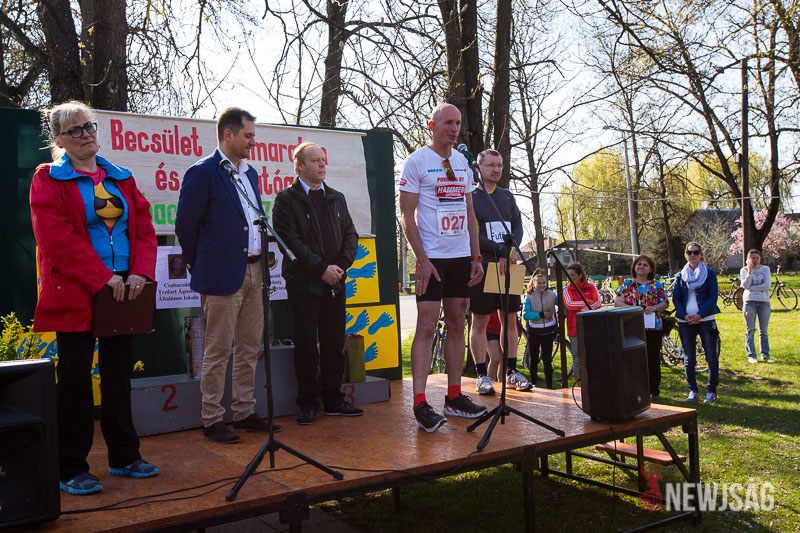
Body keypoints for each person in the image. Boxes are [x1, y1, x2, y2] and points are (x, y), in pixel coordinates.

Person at [30, 101, 158, 495]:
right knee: (74, 381)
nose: (86, 134)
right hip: (78, 291)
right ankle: (71, 466)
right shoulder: (48, 179)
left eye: (89, 127)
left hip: (124, 291)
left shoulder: (121, 177)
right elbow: (57, 241)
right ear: (58, 140)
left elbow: (144, 228)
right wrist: (102, 278)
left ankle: (124, 456)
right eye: (75, 130)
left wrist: (140, 272)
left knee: (119, 376)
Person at [175, 107, 275, 444]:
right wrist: (198, 263)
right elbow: (185, 226)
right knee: (218, 349)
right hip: (220, 274)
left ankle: (244, 412)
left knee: (249, 347)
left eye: (254, 135)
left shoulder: (251, 174)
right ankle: (212, 419)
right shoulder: (202, 172)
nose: (253, 142)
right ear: (228, 134)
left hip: (256, 271)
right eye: (248, 135)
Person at [399, 102, 486, 432]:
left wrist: (476, 257)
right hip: (432, 258)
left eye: (458, 122)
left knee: (457, 322)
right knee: (426, 325)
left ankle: (454, 396)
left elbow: (470, 213)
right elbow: (406, 215)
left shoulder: (463, 162)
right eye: (448, 122)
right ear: (432, 125)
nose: (454, 128)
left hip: (461, 256)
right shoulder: (417, 161)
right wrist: (421, 260)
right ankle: (420, 402)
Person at [272, 142, 363, 425]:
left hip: (335, 283)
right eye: (314, 160)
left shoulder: (336, 197)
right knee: (307, 346)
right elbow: (291, 243)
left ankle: (334, 400)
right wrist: (321, 269)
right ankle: (308, 403)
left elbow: (351, 235)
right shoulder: (286, 200)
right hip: (304, 285)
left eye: (323, 159)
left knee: (334, 344)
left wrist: (339, 268)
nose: (322, 164)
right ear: (298, 165)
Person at [468, 149, 531, 394]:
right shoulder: (471, 197)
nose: (496, 170)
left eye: (500, 165)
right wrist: (501, 251)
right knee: (480, 320)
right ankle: (481, 374)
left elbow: (518, 227)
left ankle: (511, 371)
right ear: (478, 168)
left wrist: (509, 250)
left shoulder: (506, 196)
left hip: (509, 265)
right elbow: (473, 234)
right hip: (483, 265)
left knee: (510, 319)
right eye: (491, 165)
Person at [672, 242, 721, 404]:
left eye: (696, 252)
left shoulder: (709, 274)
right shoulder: (680, 276)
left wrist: (700, 315)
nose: (692, 255)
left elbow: (712, 297)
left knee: (711, 356)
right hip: (685, 322)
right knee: (689, 358)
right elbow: (676, 298)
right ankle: (693, 390)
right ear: (685, 255)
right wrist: (684, 316)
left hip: (706, 320)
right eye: (689, 252)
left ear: (701, 254)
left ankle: (711, 391)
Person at [614, 255, 669, 399]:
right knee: (633, 358)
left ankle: (653, 390)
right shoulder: (627, 284)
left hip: (652, 328)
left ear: (650, 269)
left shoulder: (656, 285)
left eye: (645, 265)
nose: (641, 267)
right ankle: (635, 389)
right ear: (634, 267)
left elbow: (665, 303)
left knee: (652, 358)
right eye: (639, 264)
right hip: (631, 327)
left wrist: (654, 307)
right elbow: (617, 302)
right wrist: (634, 309)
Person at [562, 263, 602, 382]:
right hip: (574, 328)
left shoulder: (591, 287)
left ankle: (593, 381)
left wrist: (580, 306)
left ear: (580, 275)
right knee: (577, 358)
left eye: (573, 275)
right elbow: (569, 304)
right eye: (568, 275)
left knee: (591, 355)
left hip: (590, 326)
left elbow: (598, 303)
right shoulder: (567, 290)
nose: (570, 278)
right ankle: (580, 384)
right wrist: (587, 302)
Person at [522, 269, 557, 389]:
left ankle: (549, 386)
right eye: (539, 283)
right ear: (533, 284)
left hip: (548, 331)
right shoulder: (529, 297)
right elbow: (525, 315)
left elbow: (563, 304)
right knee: (533, 359)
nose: (542, 285)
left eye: (543, 283)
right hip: (534, 332)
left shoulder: (552, 295)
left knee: (547, 361)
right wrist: (541, 315)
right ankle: (533, 384)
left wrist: (563, 314)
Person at [741, 249, 774, 364]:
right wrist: (749, 273)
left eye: (757, 258)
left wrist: (752, 288)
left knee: (763, 330)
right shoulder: (744, 270)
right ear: (748, 259)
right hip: (749, 302)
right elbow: (745, 285)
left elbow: (767, 285)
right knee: (750, 329)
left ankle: (765, 355)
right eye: (752, 258)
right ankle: (751, 355)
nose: (755, 260)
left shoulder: (765, 269)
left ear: (760, 258)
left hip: (764, 302)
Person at [484, 310, 523, 383]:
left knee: (504, 360)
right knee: (495, 358)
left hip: (507, 328)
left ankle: (501, 385)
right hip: (490, 328)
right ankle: (489, 384)